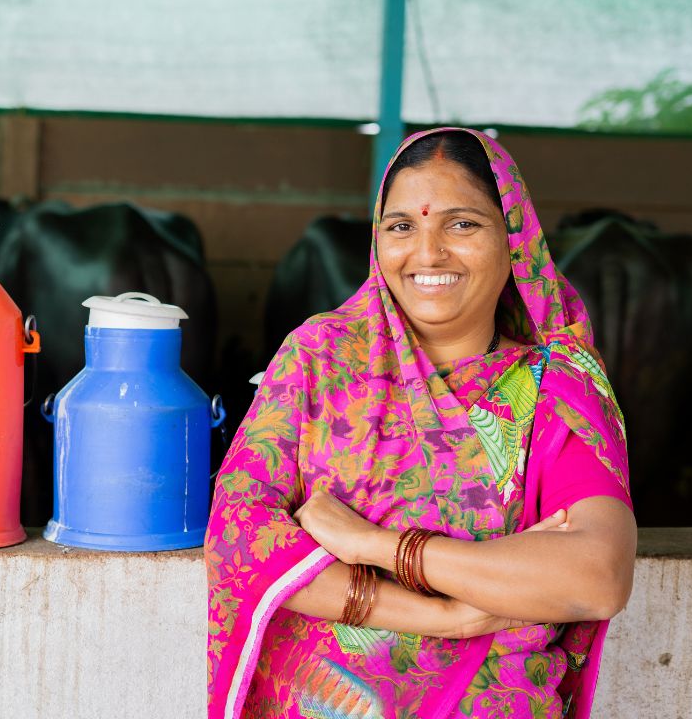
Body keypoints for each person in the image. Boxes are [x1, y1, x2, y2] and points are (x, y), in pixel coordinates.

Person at [205, 127, 636, 719]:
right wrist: (445, 615)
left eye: (461, 224)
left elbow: (596, 577)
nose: (428, 252)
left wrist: (375, 545)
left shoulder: (556, 386)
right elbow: (240, 536)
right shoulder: (319, 359)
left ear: (514, 239)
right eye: (402, 226)